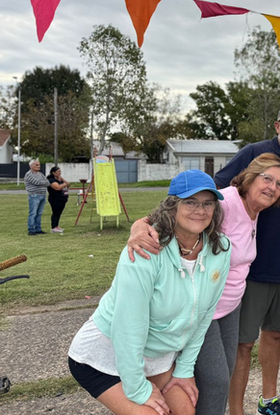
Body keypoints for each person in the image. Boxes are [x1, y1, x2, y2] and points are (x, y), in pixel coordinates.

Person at [127, 153, 280, 415]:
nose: (272, 187)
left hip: (230, 307)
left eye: (279, 184)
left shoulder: (255, 210)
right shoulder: (226, 201)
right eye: (267, 179)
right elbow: (168, 216)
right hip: (204, 308)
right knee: (215, 379)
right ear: (250, 178)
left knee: (222, 376)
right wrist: (138, 228)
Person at [67, 169, 231, 415]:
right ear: (172, 206)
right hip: (106, 352)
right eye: (190, 202)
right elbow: (127, 326)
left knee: (185, 409)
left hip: (156, 355)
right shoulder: (146, 250)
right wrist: (138, 390)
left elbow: (204, 315)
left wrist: (185, 369)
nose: (200, 210)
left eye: (208, 203)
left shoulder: (221, 249)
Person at [217, 101, 280, 415]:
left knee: (274, 335)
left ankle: (268, 400)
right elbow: (219, 187)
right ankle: (236, 410)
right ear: (278, 126)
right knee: (242, 344)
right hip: (251, 268)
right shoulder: (256, 154)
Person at [24, 158, 49, 236]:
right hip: (34, 195)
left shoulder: (40, 174)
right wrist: (43, 182)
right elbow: (37, 182)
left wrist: (43, 183)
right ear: (31, 166)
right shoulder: (29, 174)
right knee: (33, 213)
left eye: (39, 165)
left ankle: (38, 229)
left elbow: (48, 182)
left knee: (39, 213)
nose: (38, 166)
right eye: (36, 165)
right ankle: (31, 229)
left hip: (43, 195)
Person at [47, 166, 71, 233]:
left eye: (60, 171)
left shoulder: (60, 180)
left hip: (62, 198)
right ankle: (53, 227)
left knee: (59, 213)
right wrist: (64, 184)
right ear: (53, 173)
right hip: (55, 198)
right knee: (55, 212)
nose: (59, 173)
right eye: (58, 172)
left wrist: (62, 179)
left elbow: (68, 184)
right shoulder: (51, 180)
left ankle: (57, 225)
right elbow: (57, 187)